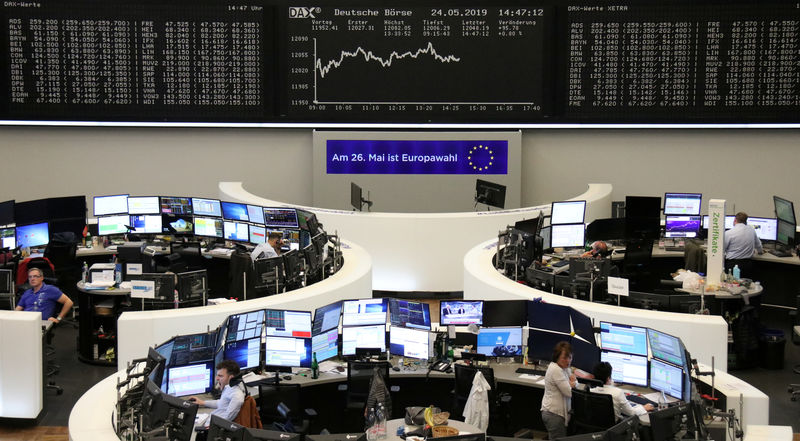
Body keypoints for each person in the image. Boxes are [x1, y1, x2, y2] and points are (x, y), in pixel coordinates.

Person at [541, 341, 576, 440]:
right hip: (554, 415)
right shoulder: (555, 370)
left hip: (557, 414)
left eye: (570, 357)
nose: (568, 361)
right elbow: (569, 392)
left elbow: (574, 382)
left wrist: (572, 384)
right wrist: (572, 384)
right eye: (564, 358)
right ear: (557, 357)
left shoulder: (565, 368)